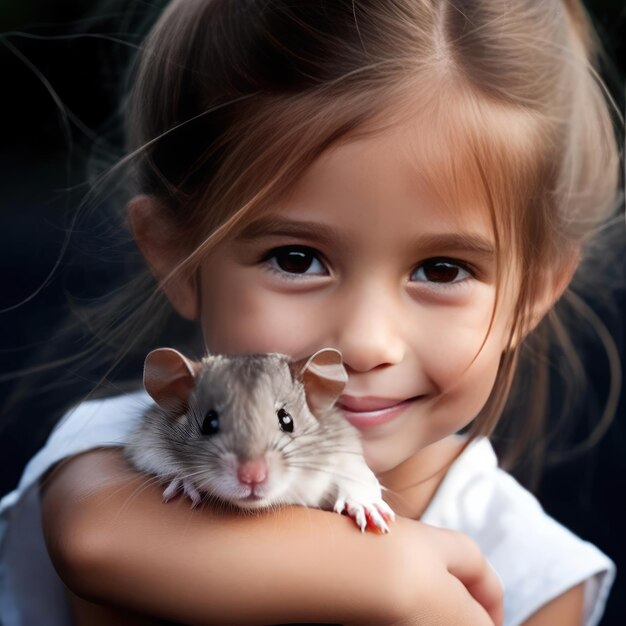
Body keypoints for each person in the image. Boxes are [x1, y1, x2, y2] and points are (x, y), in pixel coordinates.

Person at [0, 0, 621, 624]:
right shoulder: (120, 455)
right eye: (297, 259)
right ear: (179, 258)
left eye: (442, 270)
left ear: (530, 297)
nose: (365, 342)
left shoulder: (534, 570)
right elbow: (95, 541)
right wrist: (399, 580)